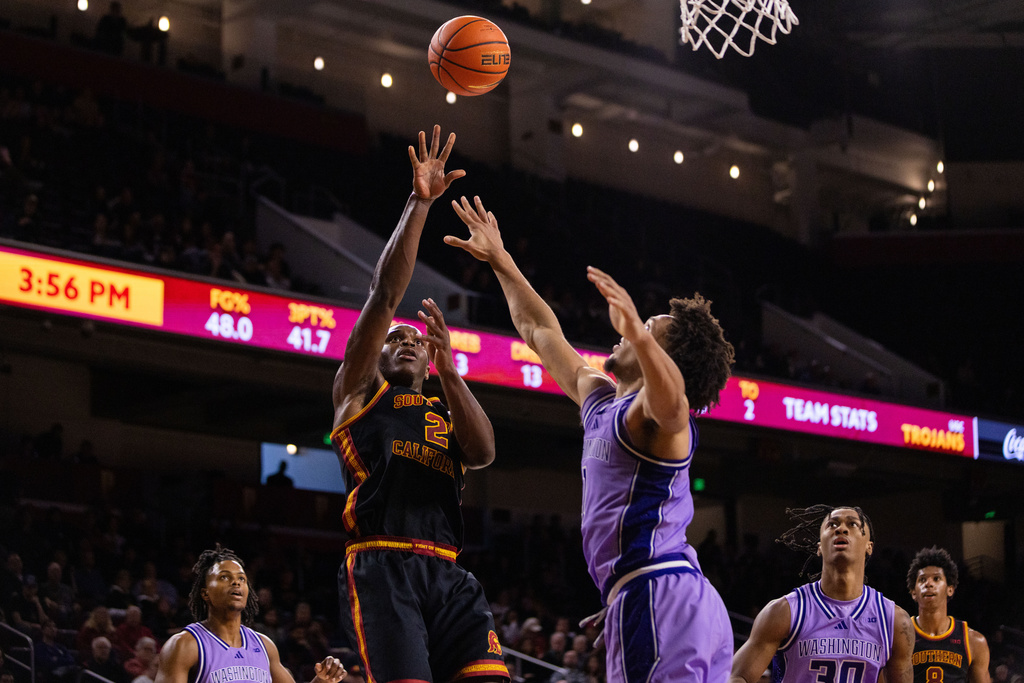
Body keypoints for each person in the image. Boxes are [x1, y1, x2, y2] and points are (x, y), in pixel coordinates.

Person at [448, 195, 735, 682]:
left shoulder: (656, 419)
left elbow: (675, 406)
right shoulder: (603, 401)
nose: (629, 330)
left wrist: (643, 342)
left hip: (658, 593)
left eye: (647, 329)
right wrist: (502, 260)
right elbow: (539, 330)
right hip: (665, 592)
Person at [329, 126, 508, 683]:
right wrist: (419, 203)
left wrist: (451, 372)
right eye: (393, 339)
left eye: (415, 338)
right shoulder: (358, 393)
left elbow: (482, 453)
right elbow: (385, 293)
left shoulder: (441, 404)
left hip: (449, 572)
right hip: (383, 564)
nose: (405, 339)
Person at [729, 505, 915, 683]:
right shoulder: (785, 611)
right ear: (819, 547)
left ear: (869, 547)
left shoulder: (894, 621)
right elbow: (737, 676)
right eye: (832, 524)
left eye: (852, 524)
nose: (841, 529)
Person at [154, 546, 345, 683]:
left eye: (241, 579)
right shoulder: (185, 645)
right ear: (205, 593)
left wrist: (323, 680)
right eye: (224, 577)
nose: (236, 583)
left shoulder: (264, 645)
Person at [907, 546, 991, 683]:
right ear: (913, 592)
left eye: (936, 578)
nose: (928, 584)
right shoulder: (899, 638)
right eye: (922, 579)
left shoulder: (974, 641)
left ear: (950, 589)